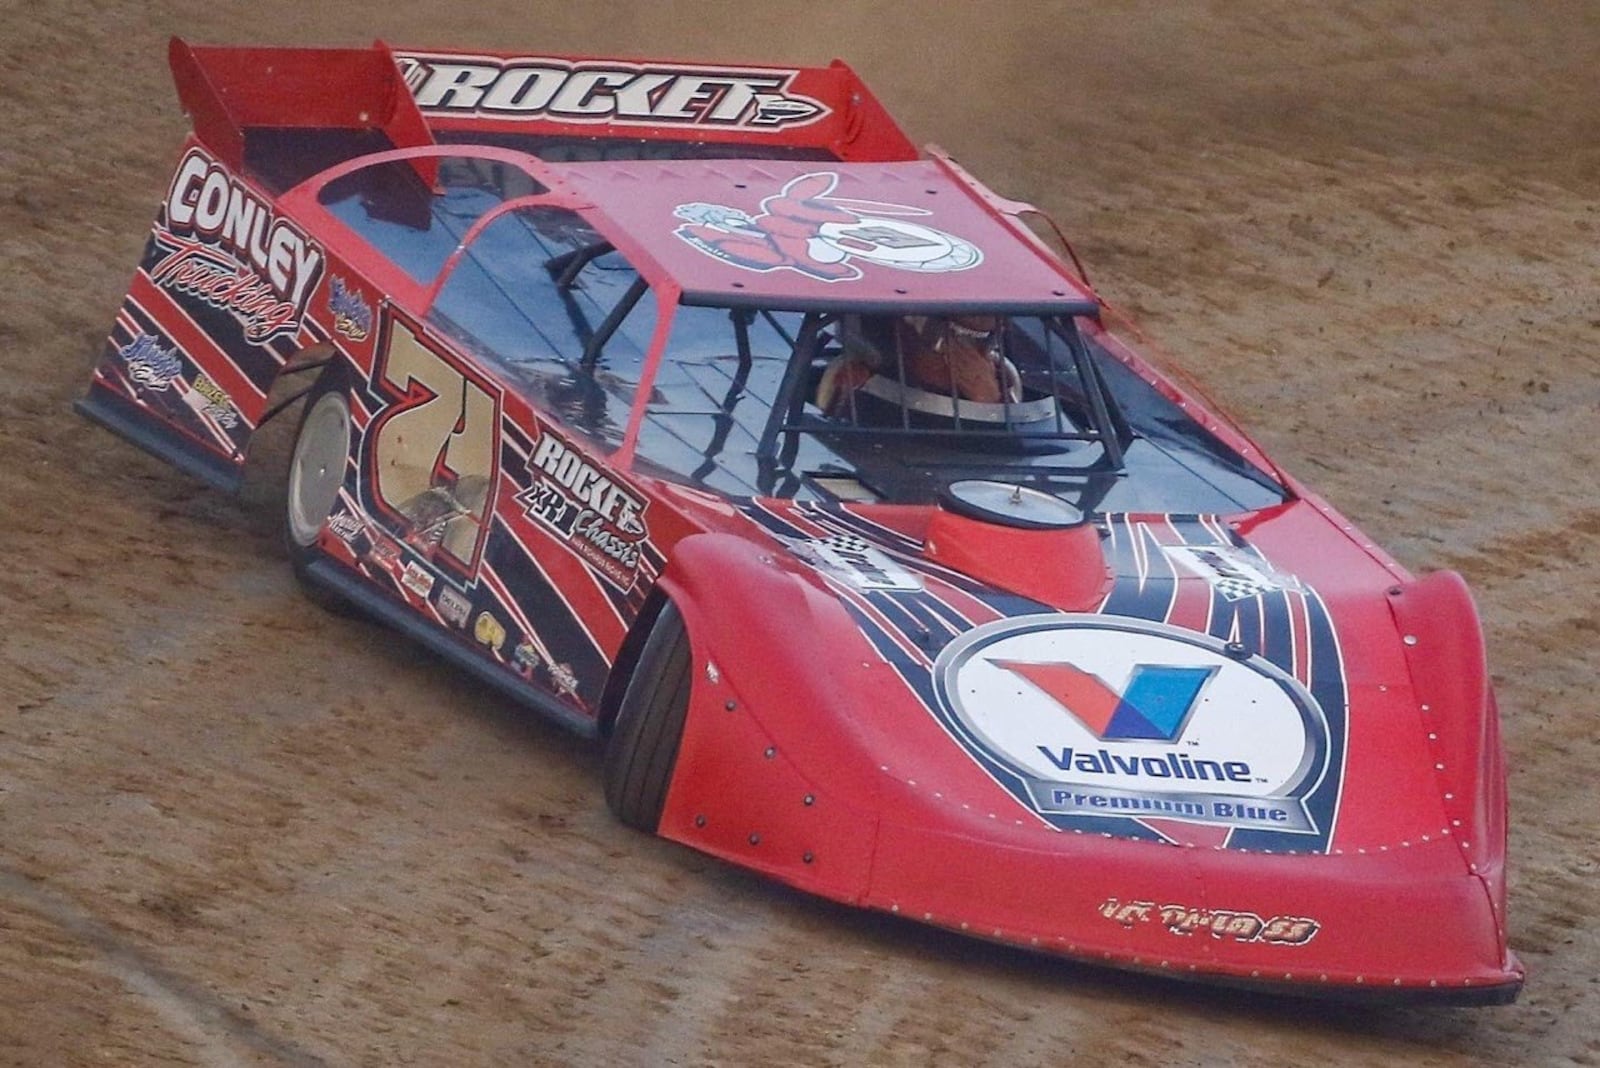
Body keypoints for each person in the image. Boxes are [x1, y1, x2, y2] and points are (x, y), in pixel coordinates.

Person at [816, 313, 1022, 419]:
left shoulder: (1004, 379)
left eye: (984, 341)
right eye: (963, 339)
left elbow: (1015, 460)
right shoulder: (861, 380)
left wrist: (990, 401)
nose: (974, 357)